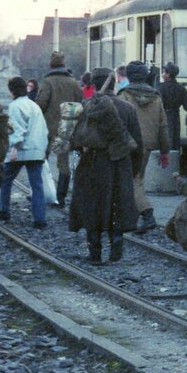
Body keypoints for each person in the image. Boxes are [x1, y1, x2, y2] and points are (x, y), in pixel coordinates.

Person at [69, 67, 144, 264]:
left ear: (93, 85)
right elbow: (138, 144)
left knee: (91, 206)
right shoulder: (128, 109)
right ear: (114, 84)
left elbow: (75, 139)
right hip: (119, 163)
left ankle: (94, 251)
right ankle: (116, 243)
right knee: (116, 205)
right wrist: (133, 170)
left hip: (91, 163)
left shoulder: (87, 107)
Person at [117, 60, 170, 233]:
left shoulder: (124, 95)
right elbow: (163, 127)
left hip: (129, 144)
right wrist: (165, 151)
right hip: (147, 145)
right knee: (138, 179)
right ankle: (135, 218)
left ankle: (147, 215)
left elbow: (118, 121)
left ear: (130, 76)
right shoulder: (156, 97)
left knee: (133, 181)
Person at [0, 76, 50, 228]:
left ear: (12, 90)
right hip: (36, 150)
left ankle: (3, 210)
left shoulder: (15, 106)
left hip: (20, 151)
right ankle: (40, 219)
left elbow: (17, 130)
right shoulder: (34, 105)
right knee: (37, 185)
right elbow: (43, 129)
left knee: (5, 179)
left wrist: (14, 148)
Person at [36, 51, 84, 206]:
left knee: (41, 160)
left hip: (49, 128)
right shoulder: (74, 82)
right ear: (64, 64)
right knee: (63, 163)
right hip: (68, 128)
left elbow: (41, 104)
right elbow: (80, 103)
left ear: (50, 64)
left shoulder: (47, 81)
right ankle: (61, 197)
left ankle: (41, 192)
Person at [157, 62, 187, 152]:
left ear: (168, 75)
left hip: (163, 116)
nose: (162, 74)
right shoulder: (181, 88)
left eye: (164, 72)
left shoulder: (160, 88)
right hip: (175, 117)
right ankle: (174, 162)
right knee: (174, 141)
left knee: (164, 140)